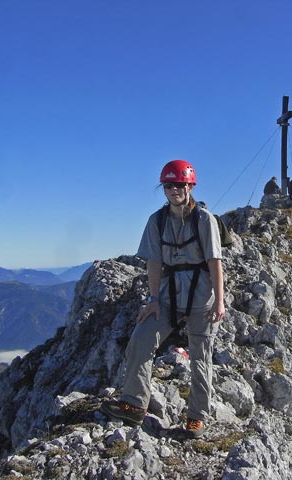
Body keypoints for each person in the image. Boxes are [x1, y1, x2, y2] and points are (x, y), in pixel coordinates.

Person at [100, 159, 224, 439]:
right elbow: (153, 262)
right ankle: (133, 404)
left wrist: (220, 300)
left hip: (202, 297)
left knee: (201, 358)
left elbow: (215, 261)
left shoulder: (205, 219)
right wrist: (153, 299)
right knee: (141, 340)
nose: (174, 189)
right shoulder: (156, 220)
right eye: (169, 185)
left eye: (180, 184)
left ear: (190, 185)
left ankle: (196, 418)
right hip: (168, 296)